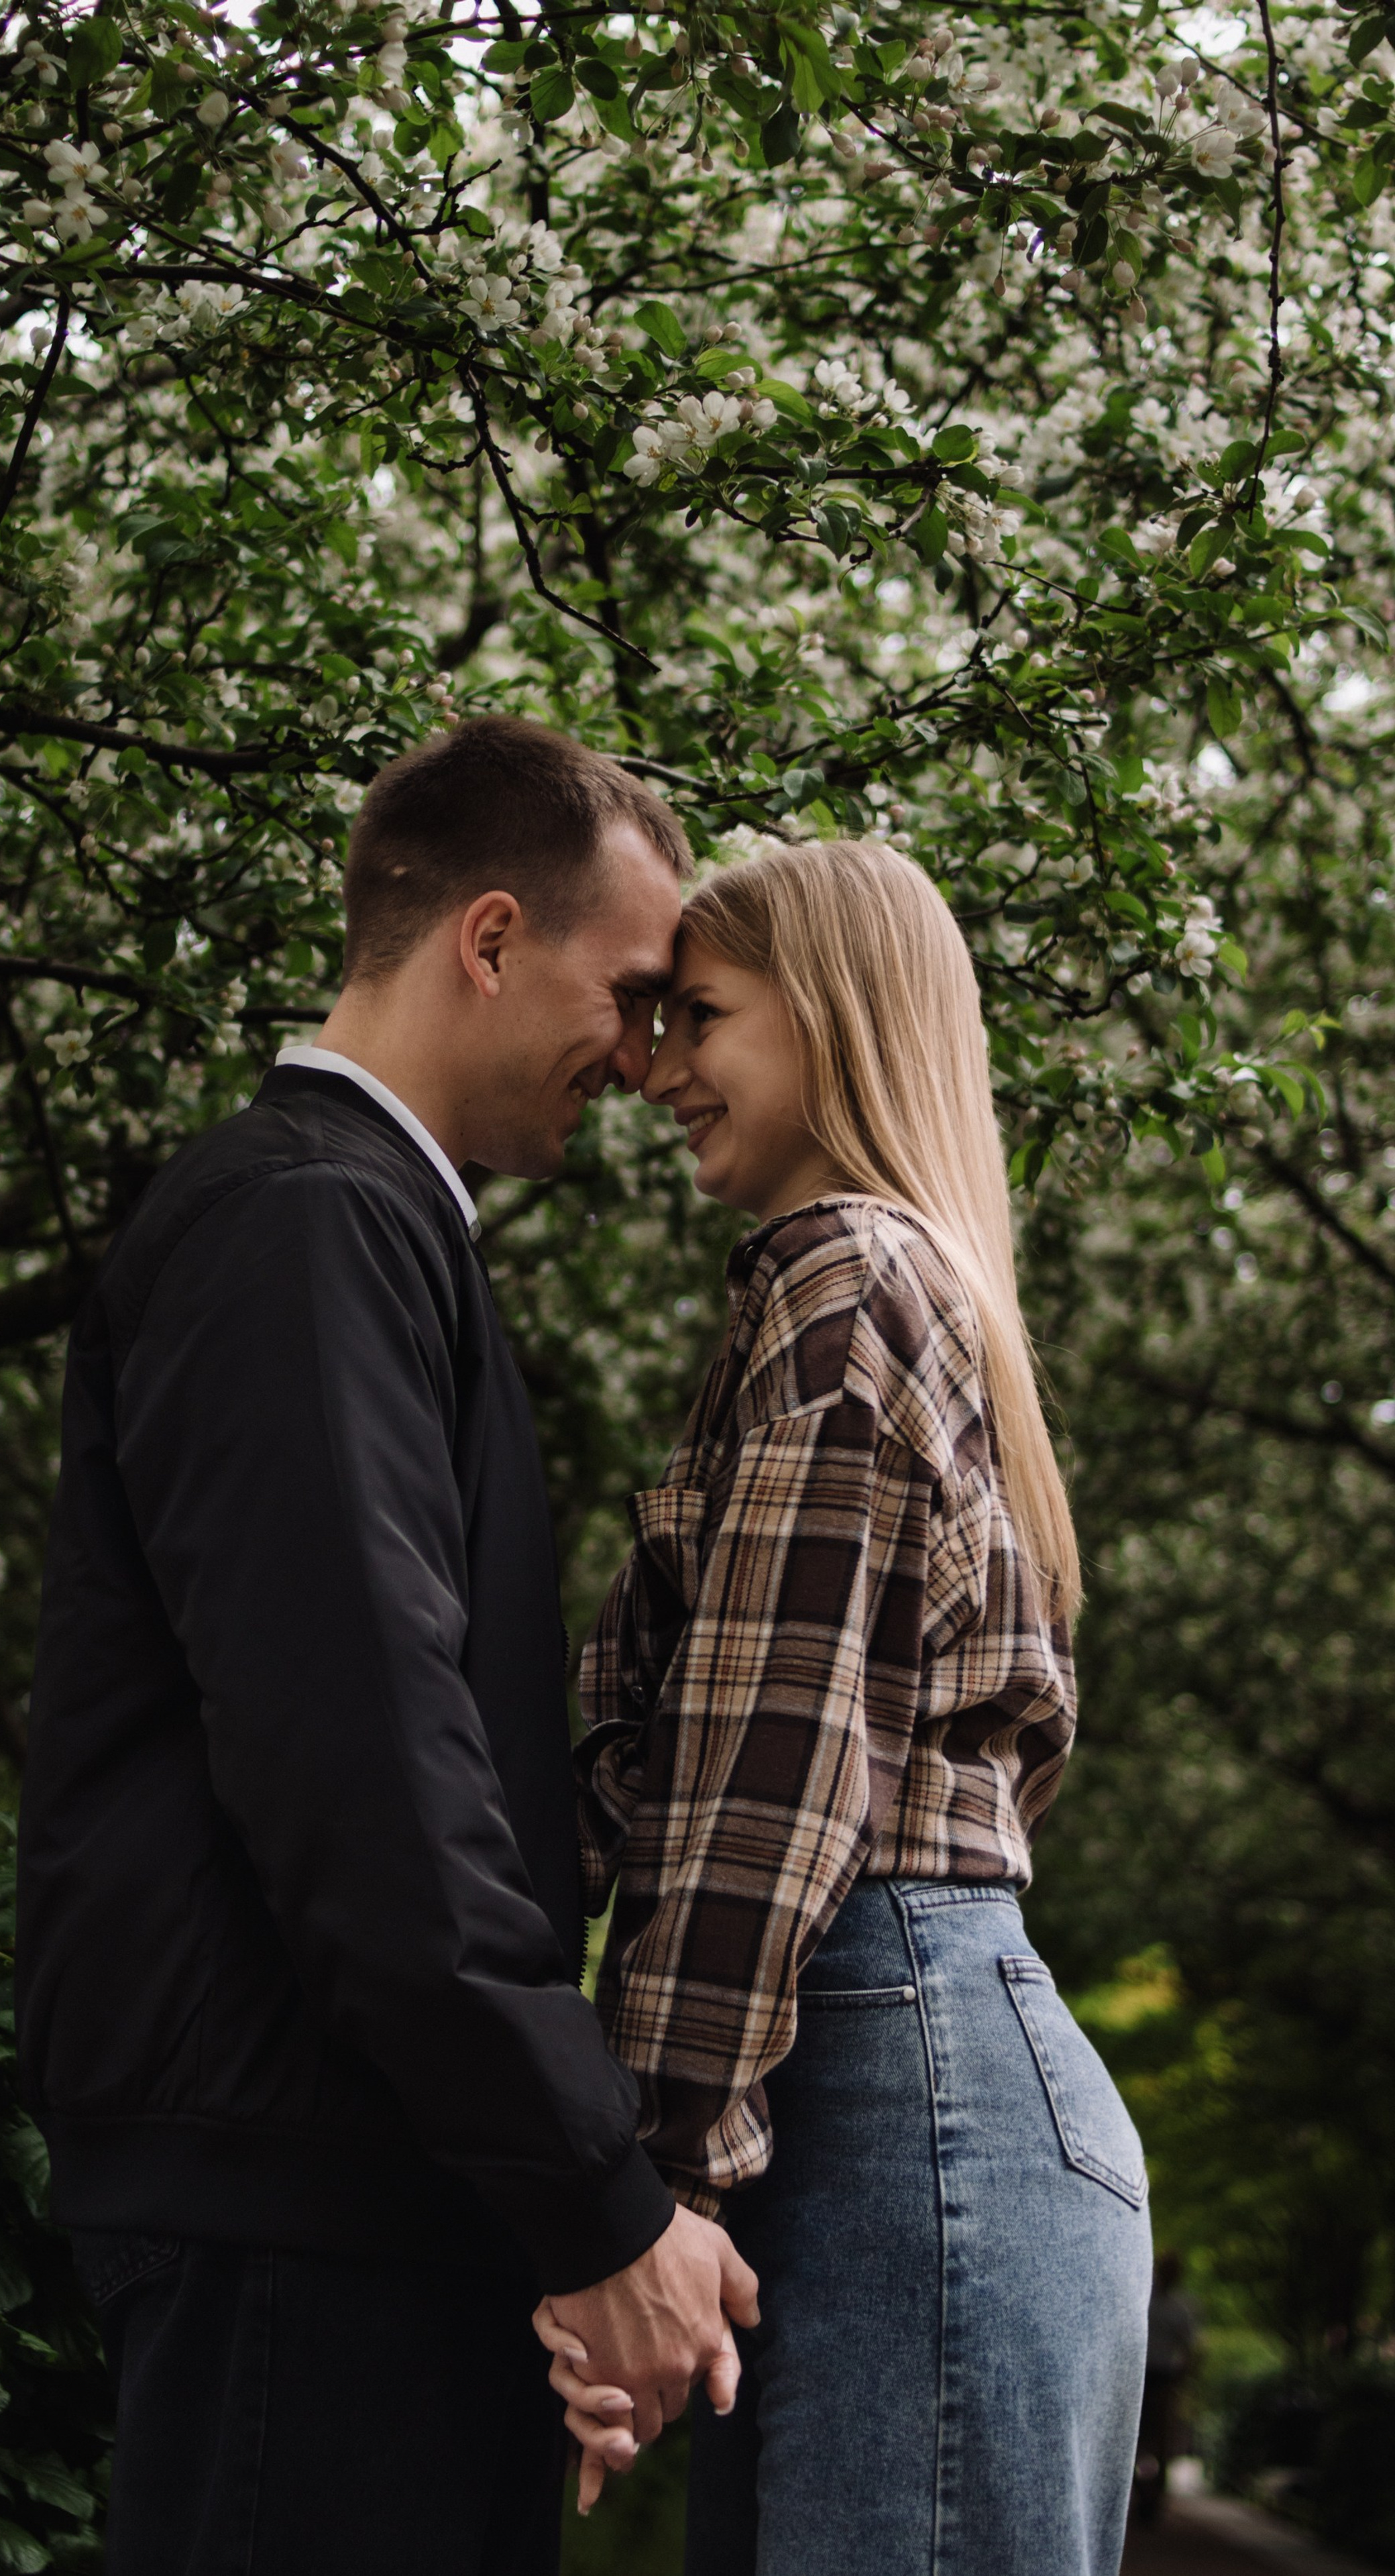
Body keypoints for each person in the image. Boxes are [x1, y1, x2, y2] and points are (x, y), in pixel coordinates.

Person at [14, 715, 757, 2576]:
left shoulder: (367, 1229)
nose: (653, 1055)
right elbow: (368, 1769)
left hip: (360, 2194)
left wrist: (541, 2219)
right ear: (489, 940)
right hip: (298, 2212)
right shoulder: (305, 1224)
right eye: (637, 992)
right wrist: (594, 2206)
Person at [539, 837, 1152, 2575]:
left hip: (904, 2106)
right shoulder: (897, 1287)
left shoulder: (847, 1280)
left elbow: (768, 1780)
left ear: (840, 1020)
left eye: (700, 1017)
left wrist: (658, 2193)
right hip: (912, 2091)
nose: (653, 1070)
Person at [1135, 2250, 1201, 2523]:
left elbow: (1191, 2348)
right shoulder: (1143, 2299)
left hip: (1163, 2378)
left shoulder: (1181, 2308)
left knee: (1162, 2441)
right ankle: (1141, 2494)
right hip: (1139, 2377)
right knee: (1136, 2439)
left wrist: (1183, 2378)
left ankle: (1155, 2498)